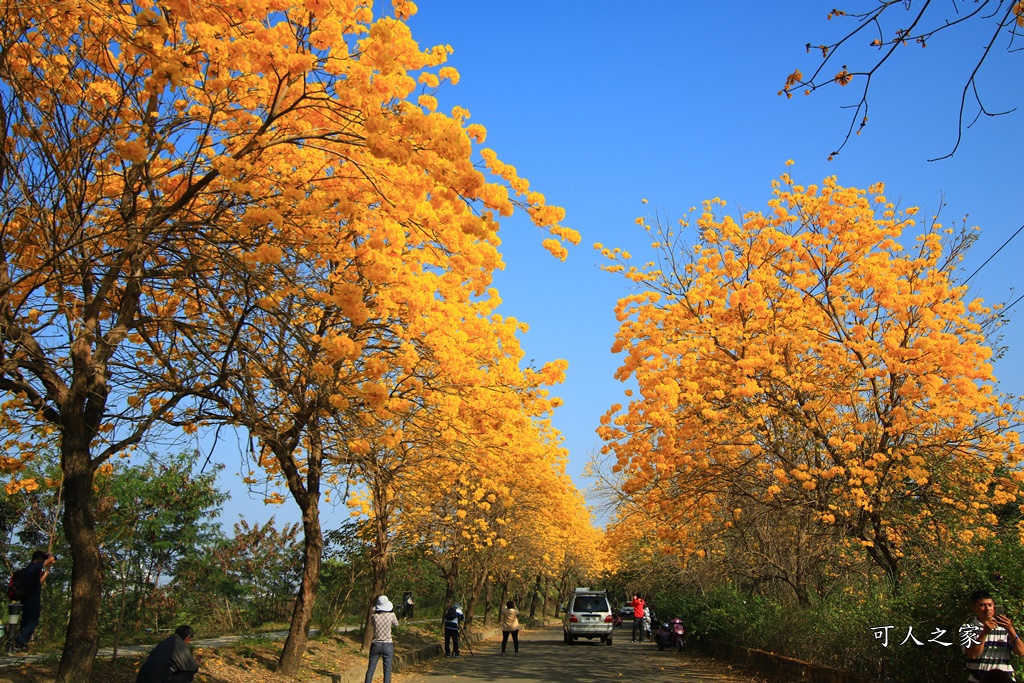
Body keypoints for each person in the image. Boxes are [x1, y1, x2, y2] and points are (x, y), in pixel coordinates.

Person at [963, 589, 1024, 682]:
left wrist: (1011, 629)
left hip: (1004, 679)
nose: (987, 609)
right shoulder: (968, 629)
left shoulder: (1004, 627)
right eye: (982, 605)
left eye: (990, 605)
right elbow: (973, 654)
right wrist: (985, 633)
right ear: (973, 607)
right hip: (978, 679)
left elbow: (1021, 652)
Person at [13, 550, 55, 652]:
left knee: (26, 621)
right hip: (32, 600)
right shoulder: (35, 566)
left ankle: (17, 642)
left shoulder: (31, 569)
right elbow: (51, 558)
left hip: (27, 599)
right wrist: (48, 555)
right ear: (40, 559)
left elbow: (39, 581)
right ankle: (20, 642)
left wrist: (47, 569)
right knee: (33, 622)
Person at [135, 625, 201, 683]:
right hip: (157, 680)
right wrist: (195, 663)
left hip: (142, 679)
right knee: (188, 675)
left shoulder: (167, 642)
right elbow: (192, 668)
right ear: (187, 638)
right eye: (190, 640)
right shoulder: (179, 644)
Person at [365, 595, 400, 683]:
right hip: (388, 644)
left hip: (376, 644)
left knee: (371, 668)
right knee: (387, 669)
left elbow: (372, 624)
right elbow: (396, 624)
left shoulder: (374, 616)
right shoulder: (391, 615)